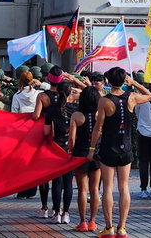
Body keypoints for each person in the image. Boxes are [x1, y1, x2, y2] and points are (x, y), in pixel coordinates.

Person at [88, 67, 151, 238]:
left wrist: (91, 149)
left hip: (108, 148)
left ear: (108, 81)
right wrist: (134, 83)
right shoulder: (131, 97)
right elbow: (150, 95)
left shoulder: (104, 101)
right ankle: (122, 227)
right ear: (124, 79)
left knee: (107, 188)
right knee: (124, 187)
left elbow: (98, 128)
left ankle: (109, 227)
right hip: (126, 147)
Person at [33, 65, 66, 219]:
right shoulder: (67, 95)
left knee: (44, 174)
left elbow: (35, 116)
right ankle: (58, 209)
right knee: (61, 177)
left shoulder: (42, 96)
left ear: (48, 78)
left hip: (46, 137)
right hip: (62, 138)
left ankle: (44, 207)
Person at [69, 86, 102, 232]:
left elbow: (71, 137)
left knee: (82, 190)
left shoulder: (76, 115)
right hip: (96, 154)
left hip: (79, 154)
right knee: (94, 189)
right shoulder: (99, 114)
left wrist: (71, 150)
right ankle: (92, 222)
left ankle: (82, 222)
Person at [43, 80, 74, 224]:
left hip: (56, 148)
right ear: (70, 93)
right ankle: (66, 214)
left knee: (57, 181)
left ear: (56, 92)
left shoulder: (52, 109)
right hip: (71, 148)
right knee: (68, 182)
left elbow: (46, 131)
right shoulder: (75, 108)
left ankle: (56, 213)